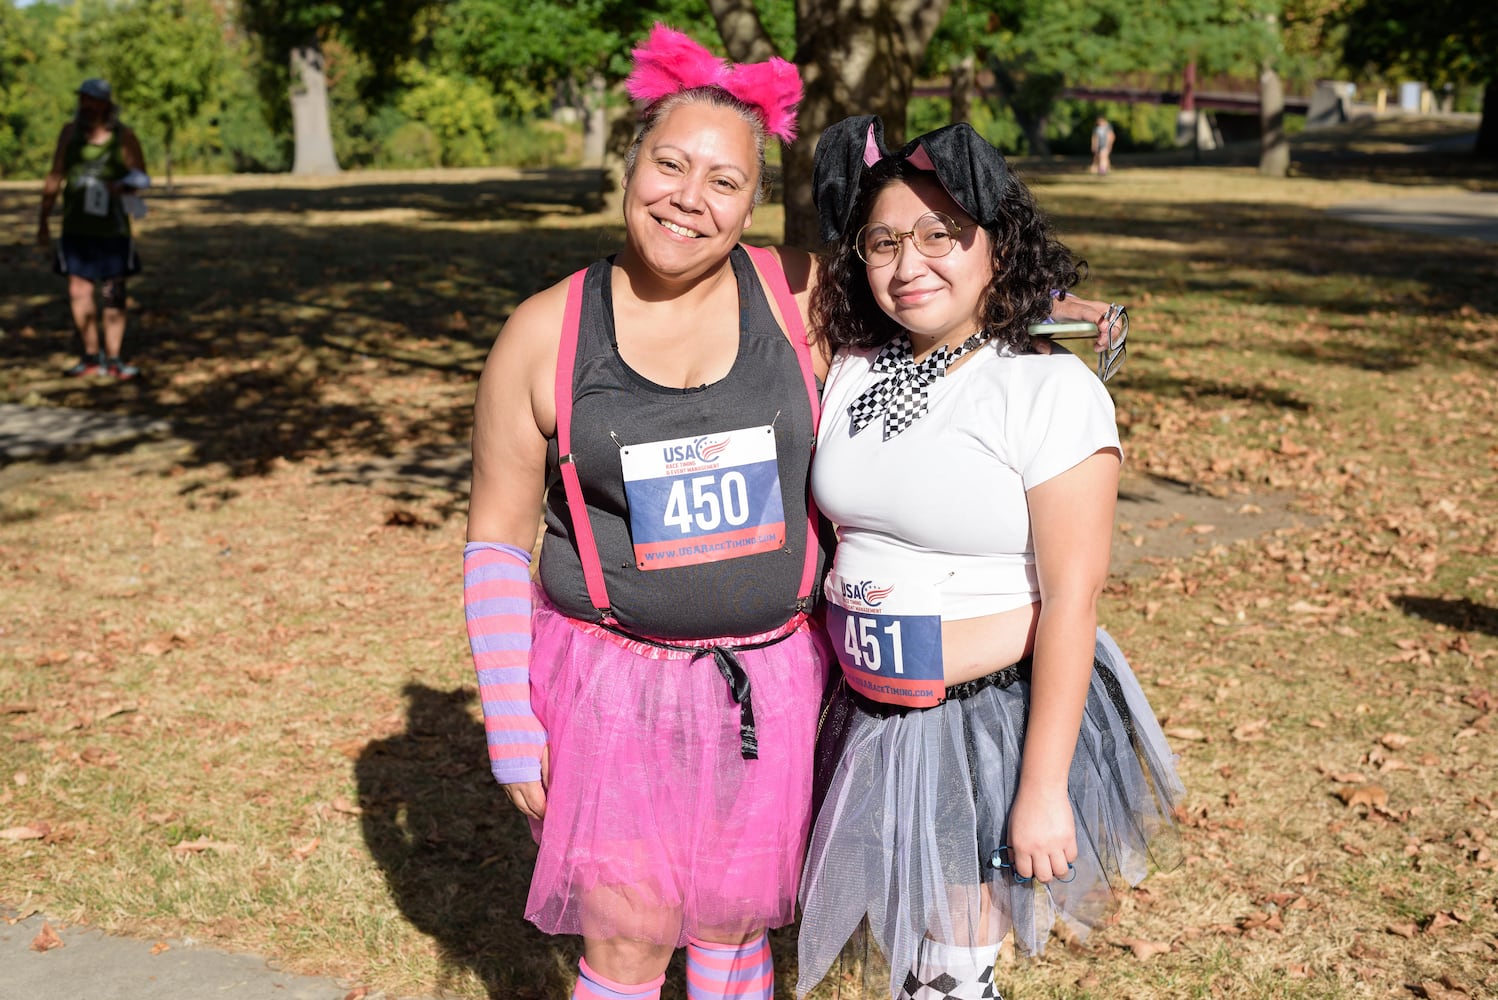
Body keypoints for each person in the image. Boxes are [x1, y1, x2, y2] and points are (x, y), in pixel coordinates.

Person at [466, 26, 1125, 1000]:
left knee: (736, 923)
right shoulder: (542, 334)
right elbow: (493, 540)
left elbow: (927, 290)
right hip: (612, 689)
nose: (689, 197)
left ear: (752, 207)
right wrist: (509, 722)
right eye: (669, 164)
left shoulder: (793, 300)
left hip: (774, 688)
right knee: (632, 931)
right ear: (630, 164)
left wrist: (1055, 308)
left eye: (724, 182)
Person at [794, 115, 1183, 1000]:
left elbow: (1073, 601)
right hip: (864, 712)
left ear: (996, 247)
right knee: (908, 954)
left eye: (942, 237)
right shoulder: (855, 365)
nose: (908, 263)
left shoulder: (1049, 391)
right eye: (884, 240)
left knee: (951, 969)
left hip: (987, 722)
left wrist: (1041, 788)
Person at [36, 77, 149, 380]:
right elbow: (55, 174)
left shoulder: (123, 136)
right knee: (78, 290)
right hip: (76, 227)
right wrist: (43, 219)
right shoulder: (69, 134)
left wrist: (121, 186)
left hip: (112, 229)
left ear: (106, 103)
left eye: (92, 99)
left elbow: (141, 176)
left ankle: (114, 359)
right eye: (82, 98)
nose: (85, 105)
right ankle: (90, 357)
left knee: (113, 291)